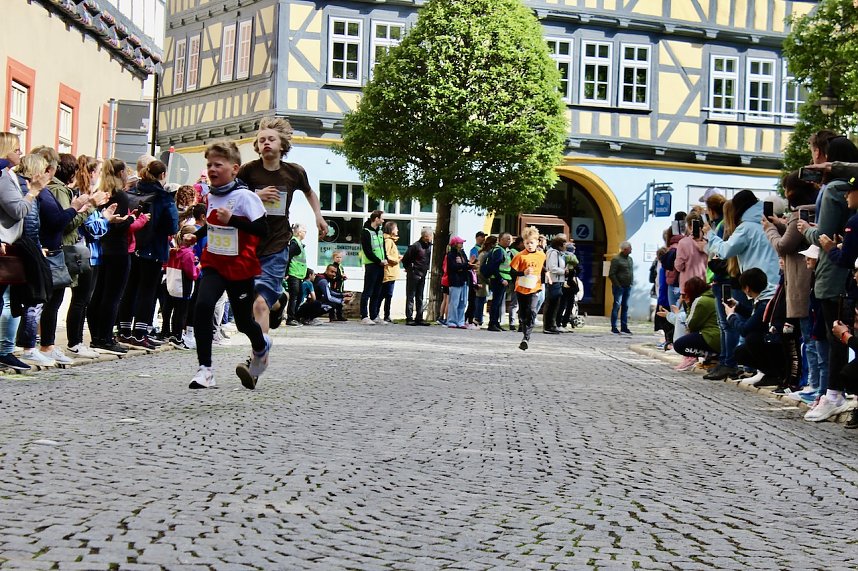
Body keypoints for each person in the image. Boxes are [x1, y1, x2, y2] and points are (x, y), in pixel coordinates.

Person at [190, 140, 271, 390]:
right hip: (214, 262)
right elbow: (217, 223)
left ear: (234, 169)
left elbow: (262, 229)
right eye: (209, 165)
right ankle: (206, 371)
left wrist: (234, 219)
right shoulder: (211, 194)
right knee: (202, 306)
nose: (212, 169)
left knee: (245, 322)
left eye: (218, 165)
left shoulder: (245, 197)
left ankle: (261, 345)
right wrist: (198, 233)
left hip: (240, 266)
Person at [237, 117, 327, 336]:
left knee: (259, 303)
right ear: (257, 146)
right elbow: (233, 197)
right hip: (249, 243)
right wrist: (256, 195)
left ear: (283, 145)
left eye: (271, 139)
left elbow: (309, 192)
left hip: (277, 243)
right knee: (251, 297)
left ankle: (259, 355)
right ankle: (278, 303)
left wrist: (318, 216)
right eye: (262, 140)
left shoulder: (294, 172)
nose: (266, 143)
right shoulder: (248, 171)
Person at [797, 136, 858, 421]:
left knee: (834, 331)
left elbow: (824, 234)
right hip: (841, 270)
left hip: (832, 273)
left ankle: (833, 391)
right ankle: (829, 389)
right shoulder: (842, 186)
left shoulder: (834, 188)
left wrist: (805, 229)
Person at [35, 149, 95, 364]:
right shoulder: (56, 190)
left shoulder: (49, 190)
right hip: (55, 249)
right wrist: (85, 208)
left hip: (54, 248)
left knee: (49, 300)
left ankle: (42, 343)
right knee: (52, 300)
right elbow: (64, 223)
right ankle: (46, 345)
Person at [117, 160, 179, 348]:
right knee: (147, 291)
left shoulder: (133, 191)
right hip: (154, 248)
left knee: (130, 288)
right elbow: (172, 225)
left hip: (132, 246)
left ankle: (124, 330)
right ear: (162, 176)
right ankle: (140, 332)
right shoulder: (163, 197)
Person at [0, 133, 45, 371]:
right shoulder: (4, 178)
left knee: (7, 302)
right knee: (7, 304)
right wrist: (33, 192)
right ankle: (5, 351)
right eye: (16, 149)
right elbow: (18, 210)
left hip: (11, 244)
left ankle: (5, 351)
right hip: (7, 245)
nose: (20, 152)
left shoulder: (7, 176)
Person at [724, 268, 782, 386]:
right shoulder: (766, 296)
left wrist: (730, 316)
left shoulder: (764, 302)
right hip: (773, 342)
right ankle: (766, 372)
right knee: (741, 350)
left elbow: (745, 330)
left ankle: (772, 373)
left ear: (747, 288)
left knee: (751, 338)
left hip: (776, 345)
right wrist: (738, 306)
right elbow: (755, 317)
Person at [668, 277, 720, 371]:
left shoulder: (700, 301)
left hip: (711, 337)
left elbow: (690, 324)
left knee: (679, 345)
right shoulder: (712, 297)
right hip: (717, 337)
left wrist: (688, 304)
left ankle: (713, 355)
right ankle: (713, 357)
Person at [509, 227, 546, 350]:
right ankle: (524, 333)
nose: (529, 245)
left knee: (532, 311)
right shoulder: (520, 256)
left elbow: (543, 268)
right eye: (527, 243)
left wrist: (548, 276)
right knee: (524, 313)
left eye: (532, 242)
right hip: (521, 288)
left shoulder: (541, 255)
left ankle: (526, 338)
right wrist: (523, 273)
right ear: (523, 243)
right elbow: (512, 273)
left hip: (534, 288)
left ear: (537, 242)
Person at [164, 225, 199, 347]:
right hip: (184, 285)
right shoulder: (188, 254)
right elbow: (192, 273)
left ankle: (174, 334)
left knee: (175, 311)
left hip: (174, 284)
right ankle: (178, 337)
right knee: (182, 312)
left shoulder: (175, 251)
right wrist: (198, 268)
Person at [359, 209, 386, 325]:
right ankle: (364, 316)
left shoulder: (380, 231)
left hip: (381, 265)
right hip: (371, 265)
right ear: (376, 219)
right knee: (368, 290)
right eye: (382, 218)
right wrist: (378, 261)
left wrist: (385, 259)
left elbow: (382, 247)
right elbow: (368, 251)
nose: (383, 220)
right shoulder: (366, 232)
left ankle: (374, 315)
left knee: (377, 291)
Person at [401, 228, 433, 326]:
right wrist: (410, 269)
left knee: (420, 297)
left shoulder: (428, 246)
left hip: (423, 274)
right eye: (430, 235)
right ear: (425, 236)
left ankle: (419, 317)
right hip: (414, 274)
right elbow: (405, 259)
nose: (432, 238)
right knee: (411, 296)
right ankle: (409, 318)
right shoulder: (415, 246)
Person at [484, 232, 512, 332]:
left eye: (510, 239)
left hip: (503, 278)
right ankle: (492, 323)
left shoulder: (505, 251)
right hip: (498, 279)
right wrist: (501, 279)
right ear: (500, 240)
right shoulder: (498, 251)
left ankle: (496, 323)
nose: (509, 241)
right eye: (507, 239)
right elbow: (494, 267)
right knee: (496, 302)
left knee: (499, 302)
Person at [543, 234, 568, 334]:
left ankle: (552, 325)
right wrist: (563, 271)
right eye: (564, 244)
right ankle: (548, 326)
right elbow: (552, 268)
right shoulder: (553, 253)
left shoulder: (559, 254)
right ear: (560, 245)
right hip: (553, 281)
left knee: (555, 304)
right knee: (552, 304)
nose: (566, 246)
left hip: (558, 281)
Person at [444, 236, 472, 329]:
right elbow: (453, 267)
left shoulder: (463, 253)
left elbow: (465, 264)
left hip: (464, 280)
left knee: (463, 302)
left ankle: (461, 321)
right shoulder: (451, 255)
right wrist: (465, 265)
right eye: (460, 242)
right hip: (455, 281)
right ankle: (452, 321)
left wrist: (470, 265)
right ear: (455, 244)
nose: (462, 244)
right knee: (454, 302)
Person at [284, 223, 308, 327]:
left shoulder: (299, 243)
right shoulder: (295, 243)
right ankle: (291, 318)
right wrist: (285, 273)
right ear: (299, 232)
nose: (305, 233)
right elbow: (287, 257)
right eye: (304, 231)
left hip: (298, 274)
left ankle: (295, 317)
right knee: (294, 297)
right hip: (293, 274)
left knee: (299, 296)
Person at [608, 241, 634, 335]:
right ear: (625, 249)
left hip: (627, 286)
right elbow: (611, 274)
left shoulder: (630, 259)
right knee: (617, 306)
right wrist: (617, 285)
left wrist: (631, 282)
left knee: (625, 306)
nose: (631, 249)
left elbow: (631, 272)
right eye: (630, 248)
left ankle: (624, 327)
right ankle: (614, 327)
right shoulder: (616, 259)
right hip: (619, 287)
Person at [473, 235, 497, 329]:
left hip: (484, 279)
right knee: (480, 299)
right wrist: (484, 279)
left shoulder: (486, 253)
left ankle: (478, 318)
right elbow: (480, 268)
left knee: (482, 299)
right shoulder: (484, 254)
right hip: (482, 279)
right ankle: (477, 318)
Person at [381, 221, 401, 323]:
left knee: (387, 295)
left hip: (391, 272)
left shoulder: (391, 241)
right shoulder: (388, 241)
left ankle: (385, 315)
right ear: (391, 229)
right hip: (389, 272)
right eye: (396, 228)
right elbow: (387, 255)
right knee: (386, 294)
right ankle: (385, 315)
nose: (397, 230)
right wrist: (396, 260)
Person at [466, 231, 485, 324]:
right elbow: (472, 262)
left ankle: (475, 317)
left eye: (484, 237)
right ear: (477, 237)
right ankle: (473, 317)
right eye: (481, 237)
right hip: (475, 275)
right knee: (474, 299)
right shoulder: (475, 249)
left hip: (480, 275)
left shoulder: (482, 249)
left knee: (481, 298)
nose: (483, 239)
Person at [329, 250, 348, 321]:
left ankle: (339, 315)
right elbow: (332, 277)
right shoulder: (332, 267)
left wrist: (344, 277)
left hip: (340, 287)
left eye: (340, 257)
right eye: (337, 257)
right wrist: (340, 277)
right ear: (333, 258)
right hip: (334, 287)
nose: (339, 259)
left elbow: (341, 276)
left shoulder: (341, 267)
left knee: (340, 302)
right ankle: (332, 316)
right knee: (333, 302)